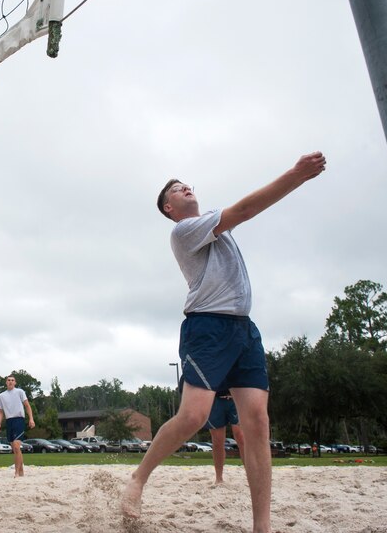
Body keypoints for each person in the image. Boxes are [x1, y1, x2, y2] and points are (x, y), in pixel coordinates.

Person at [121, 152, 326, 533]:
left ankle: (261, 527)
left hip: (243, 329)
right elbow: (246, 209)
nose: (185, 187)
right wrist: (296, 176)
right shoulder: (184, 231)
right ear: (169, 207)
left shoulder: (216, 227)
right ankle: (139, 478)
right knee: (193, 417)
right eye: (175, 189)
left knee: (258, 424)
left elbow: (240, 214)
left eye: (187, 184)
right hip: (208, 328)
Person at [0, 374, 35, 478]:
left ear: (15, 382)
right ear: (6, 382)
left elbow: (27, 405)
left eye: (12, 380)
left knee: (17, 447)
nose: (10, 382)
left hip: (19, 420)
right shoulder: (1, 395)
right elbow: (0, 411)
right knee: (15, 449)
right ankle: (21, 471)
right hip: (9, 421)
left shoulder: (20, 392)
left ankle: (16, 473)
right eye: (8, 380)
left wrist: (31, 419)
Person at [204, 391, 246, 484]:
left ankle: (251, 475)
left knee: (241, 437)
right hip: (216, 400)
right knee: (217, 442)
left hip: (236, 397)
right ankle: (219, 478)